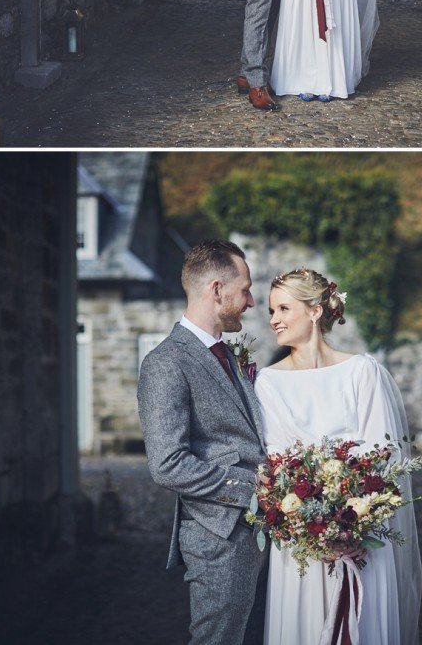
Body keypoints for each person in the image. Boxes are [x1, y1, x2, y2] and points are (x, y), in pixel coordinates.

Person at [254, 268, 421, 645]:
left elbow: (383, 460)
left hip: (362, 540)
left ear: (314, 311)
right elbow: (277, 464)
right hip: (301, 544)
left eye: (283, 308)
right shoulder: (267, 382)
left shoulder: (362, 373)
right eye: (270, 311)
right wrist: (311, 526)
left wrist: (353, 525)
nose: (273, 320)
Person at [137, 240, 268, 645]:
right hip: (219, 535)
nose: (249, 301)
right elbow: (168, 464)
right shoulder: (165, 363)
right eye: (244, 289)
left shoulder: (227, 355)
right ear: (216, 290)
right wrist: (256, 491)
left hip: (258, 530)